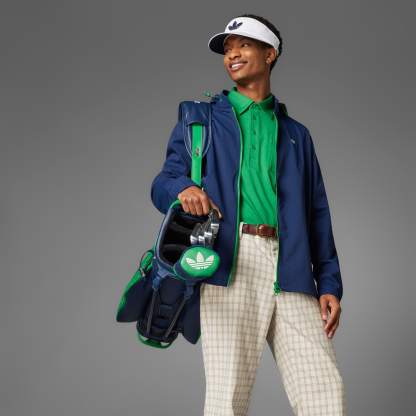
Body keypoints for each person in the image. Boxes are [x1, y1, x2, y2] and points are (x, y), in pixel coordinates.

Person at [151, 13, 346, 416]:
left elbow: (317, 213)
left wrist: (329, 282)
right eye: (227, 49)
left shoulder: (296, 134)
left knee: (324, 392)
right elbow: (162, 182)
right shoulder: (201, 119)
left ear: (269, 54)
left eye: (243, 45)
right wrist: (183, 189)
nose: (232, 54)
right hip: (230, 261)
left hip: (291, 265)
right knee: (228, 398)